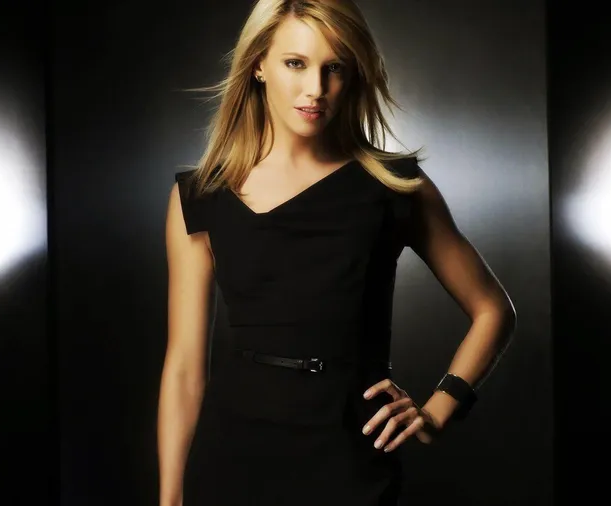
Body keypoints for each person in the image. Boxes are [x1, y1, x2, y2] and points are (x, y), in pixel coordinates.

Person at [158, 1, 517, 504]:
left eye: (335, 68)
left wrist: (438, 409)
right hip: (232, 457)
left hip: (350, 459)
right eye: (295, 63)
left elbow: (493, 309)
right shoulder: (201, 197)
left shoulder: (393, 186)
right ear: (258, 65)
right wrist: (170, 499)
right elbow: (184, 369)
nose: (316, 88)